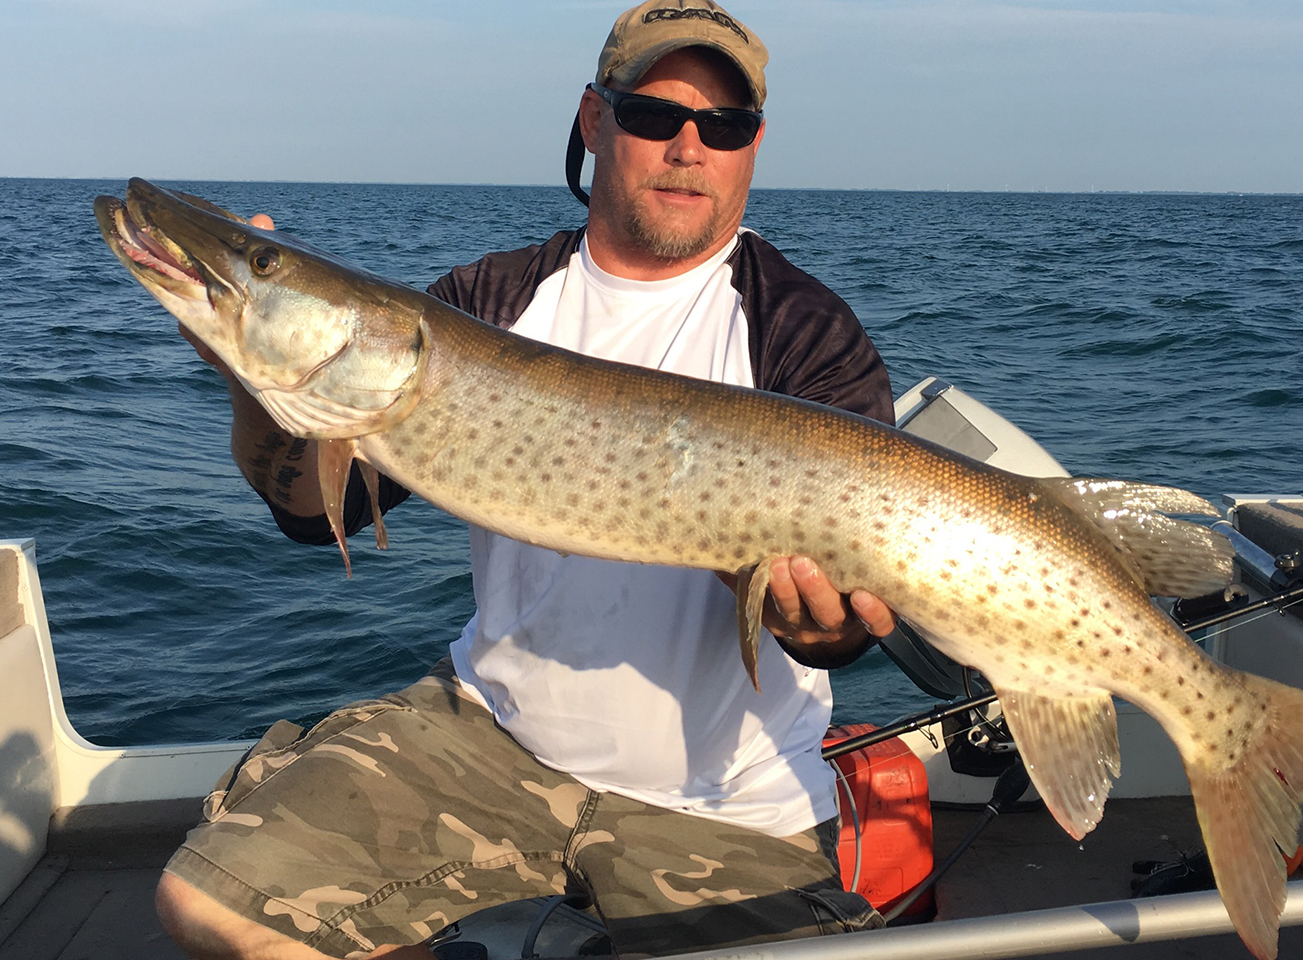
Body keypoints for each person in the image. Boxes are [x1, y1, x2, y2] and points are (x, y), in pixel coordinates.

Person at [155, 2, 898, 957]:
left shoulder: (803, 332)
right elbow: (317, 513)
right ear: (595, 122)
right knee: (211, 907)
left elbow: (843, 633)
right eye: (651, 116)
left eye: (724, 126)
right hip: (488, 741)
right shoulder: (489, 304)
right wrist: (252, 375)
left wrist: (823, 625)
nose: (687, 148)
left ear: (752, 144)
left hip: (725, 805)